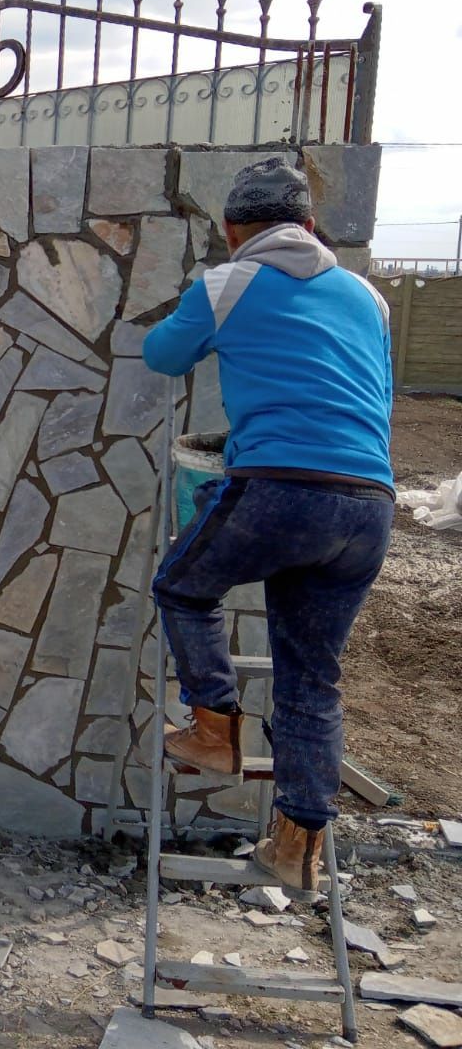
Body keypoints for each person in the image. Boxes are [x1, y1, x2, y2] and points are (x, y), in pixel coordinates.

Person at [142, 157, 394, 891]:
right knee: (312, 677)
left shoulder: (229, 282)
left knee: (183, 587)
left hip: (285, 489)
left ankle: (214, 727)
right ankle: (296, 848)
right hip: (369, 504)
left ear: (231, 231)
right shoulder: (369, 298)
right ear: (311, 227)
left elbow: (162, 355)